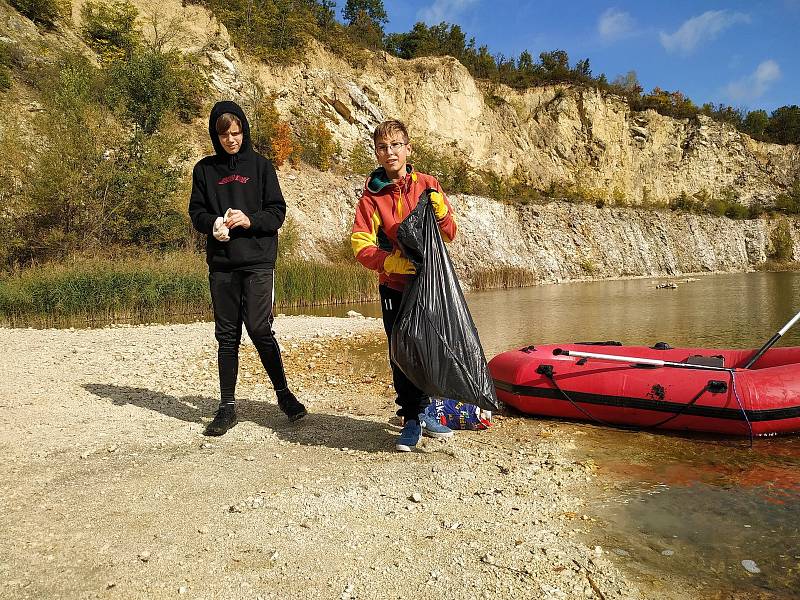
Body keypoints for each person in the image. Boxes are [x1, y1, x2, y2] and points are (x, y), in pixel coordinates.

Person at [189, 100, 306, 436]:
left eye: (237, 133)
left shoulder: (261, 167)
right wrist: (213, 223)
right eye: (224, 134)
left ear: (245, 131)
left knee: (259, 328)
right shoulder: (205, 170)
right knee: (226, 336)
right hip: (222, 264)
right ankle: (227, 407)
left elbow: (277, 212)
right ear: (215, 134)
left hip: (257, 261)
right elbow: (196, 212)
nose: (231, 140)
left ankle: (284, 396)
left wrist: (250, 220)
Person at [351, 119, 457, 451]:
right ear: (378, 153)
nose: (390, 151)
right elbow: (361, 246)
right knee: (400, 352)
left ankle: (424, 411)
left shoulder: (428, 184)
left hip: (428, 285)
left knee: (425, 349)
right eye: (383, 147)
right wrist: (390, 262)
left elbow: (450, 233)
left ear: (408, 149)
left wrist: (440, 211)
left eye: (396, 144)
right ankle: (409, 418)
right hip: (394, 285)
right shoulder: (372, 196)